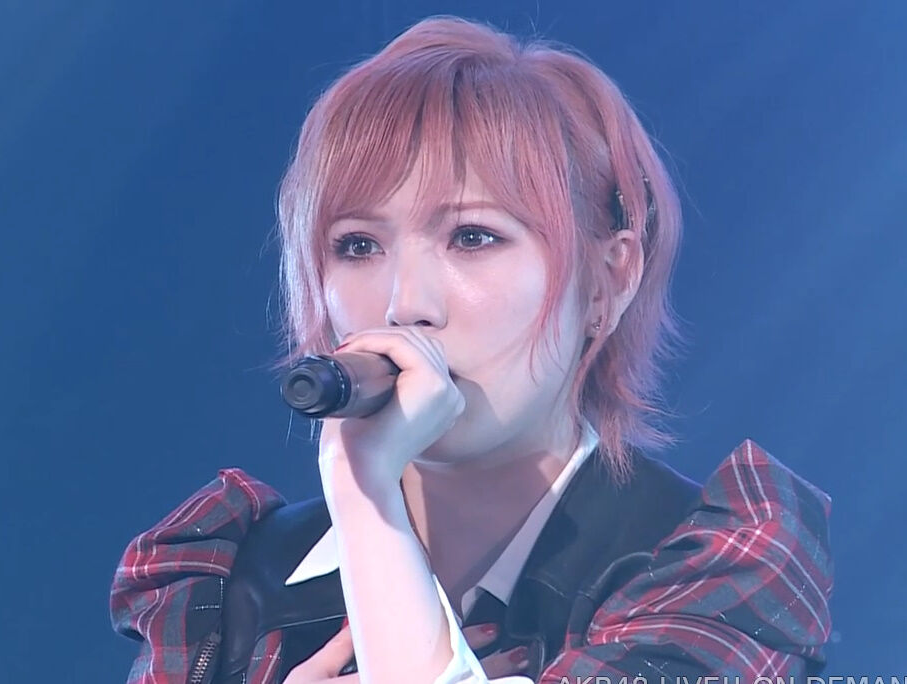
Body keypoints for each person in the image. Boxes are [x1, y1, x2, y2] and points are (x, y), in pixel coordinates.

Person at [111, 14, 833, 684]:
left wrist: (366, 498)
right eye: (357, 245)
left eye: (472, 237)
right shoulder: (240, 583)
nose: (404, 305)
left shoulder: (711, 573)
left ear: (608, 281)